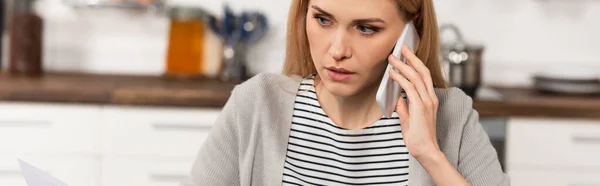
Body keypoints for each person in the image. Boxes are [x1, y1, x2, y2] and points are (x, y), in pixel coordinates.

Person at [182, 0, 510, 185]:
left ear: (412, 30)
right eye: (323, 19)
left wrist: (430, 156)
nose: (337, 50)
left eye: (366, 28)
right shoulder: (255, 105)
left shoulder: (452, 116)